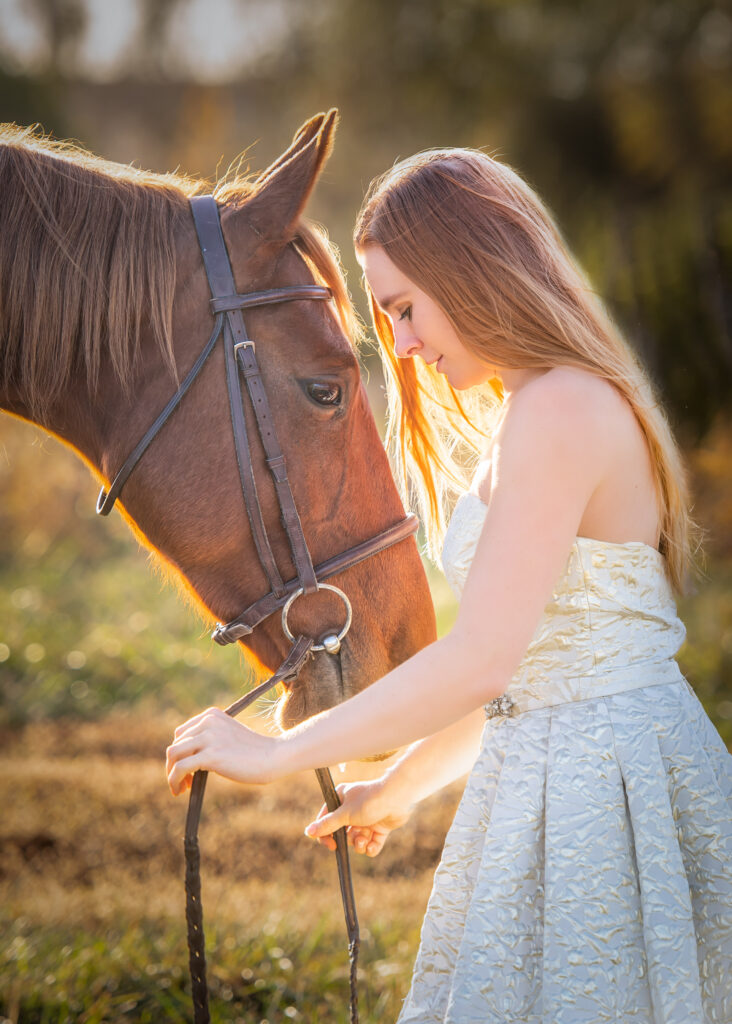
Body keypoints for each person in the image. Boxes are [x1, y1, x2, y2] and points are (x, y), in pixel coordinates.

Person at [166, 148, 732, 1023]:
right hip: (548, 781)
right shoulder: (535, 412)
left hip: (606, 804)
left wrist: (280, 755)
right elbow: (530, 673)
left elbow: (480, 662)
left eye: (404, 309)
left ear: (471, 273)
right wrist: (397, 785)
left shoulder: (560, 410)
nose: (404, 345)